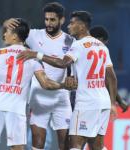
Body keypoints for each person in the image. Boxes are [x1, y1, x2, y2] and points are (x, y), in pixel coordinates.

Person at [0, 18, 75, 150]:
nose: (4, 34)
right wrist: (63, 86)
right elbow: (46, 84)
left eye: (7, 32)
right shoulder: (32, 58)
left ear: (15, 36)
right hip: (16, 109)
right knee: (17, 147)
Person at [17, 11, 118, 150]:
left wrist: (36, 54)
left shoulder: (79, 45)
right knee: (97, 146)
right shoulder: (102, 46)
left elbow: (62, 63)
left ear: (82, 26)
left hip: (86, 103)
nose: (69, 26)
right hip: (104, 103)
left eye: (72, 23)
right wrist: (112, 103)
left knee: (74, 145)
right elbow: (111, 77)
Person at [4, 2, 73, 150]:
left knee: (65, 143)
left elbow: (63, 63)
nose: (48, 23)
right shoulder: (34, 35)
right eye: (46, 19)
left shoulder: (69, 41)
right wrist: (6, 23)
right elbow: (11, 35)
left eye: (53, 20)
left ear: (62, 20)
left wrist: (37, 54)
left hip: (61, 98)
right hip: (38, 97)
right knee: (38, 142)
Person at [90, 26, 128, 112]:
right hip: (84, 101)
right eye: (104, 43)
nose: (103, 46)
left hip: (86, 101)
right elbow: (109, 79)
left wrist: (119, 100)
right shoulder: (100, 50)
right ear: (99, 39)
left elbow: (106, 81)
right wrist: (118, 101)